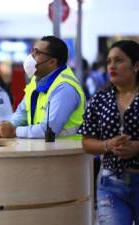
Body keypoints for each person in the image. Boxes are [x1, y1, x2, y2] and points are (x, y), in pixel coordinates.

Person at [78, 40, 139, 225]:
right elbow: (86, 142)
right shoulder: (99, 99)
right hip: (111, 184)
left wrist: (137, 147)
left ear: (136, 65)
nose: (112, 66)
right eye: (109, 61)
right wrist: (107, 145)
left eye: (119, 60)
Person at [0, 35, 85, 139]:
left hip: (67, 152)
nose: (31, 56)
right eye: (32, 51)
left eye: (37, 53)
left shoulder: (65, 88)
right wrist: (7, 126)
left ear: (52, 62)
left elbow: (49, 129)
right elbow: (23, 111)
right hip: (45, 150)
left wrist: (15, 131)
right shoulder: (36, 80)